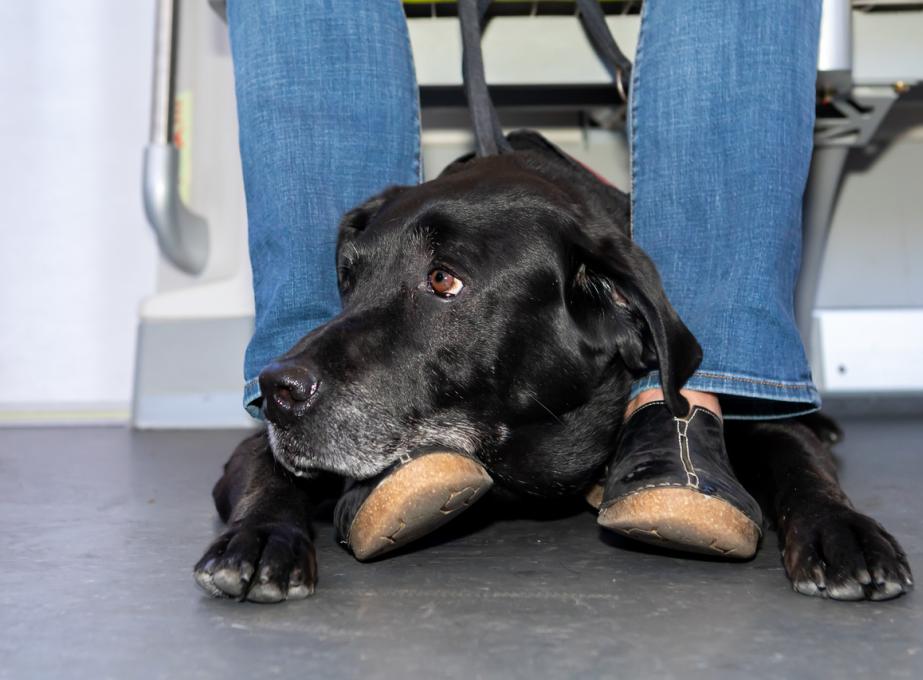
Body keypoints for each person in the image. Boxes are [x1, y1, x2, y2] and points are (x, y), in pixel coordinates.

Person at [226, 0, 821, 560]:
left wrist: (816, 506)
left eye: (441, 280)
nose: (291, 372)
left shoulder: (594, 275)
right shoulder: (421, 229)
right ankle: (383, 455)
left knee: (736, 413)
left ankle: (690, 406)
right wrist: (266, 520)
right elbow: (248, 467)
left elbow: (770, 441)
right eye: (355, 282)